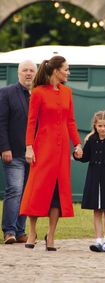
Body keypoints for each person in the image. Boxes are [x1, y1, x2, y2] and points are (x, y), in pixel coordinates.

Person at [20, 55, 83, 251]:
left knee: (57, 192)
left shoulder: (68, 92)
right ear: (56, 71)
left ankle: (51, 236)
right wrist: (29, 147)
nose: (68, 72)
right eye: (66, 68)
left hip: (62, 149)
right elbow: (31, 122)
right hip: (42, 148)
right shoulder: (37, 92)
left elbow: (70, 121)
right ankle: (32, 232)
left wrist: (77, 144)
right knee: (37, 189)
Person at [74, 111, 105, 252]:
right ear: (95, 126)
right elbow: (85, 157)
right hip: (94, 180)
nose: (102, 128)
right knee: (96, 210)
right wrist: (77, 155)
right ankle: (98, 240)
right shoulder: (91, 140)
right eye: (100, 125)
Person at [0, 60, 37, 244]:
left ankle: (21, 231)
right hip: (13, 152)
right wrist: (4, 147)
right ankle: (9, 231)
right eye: (25, 70)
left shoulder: (39, 94)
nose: (28, 73)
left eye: (31, 70)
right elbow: (1, 123)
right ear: (18, 73)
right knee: (14, 190)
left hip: (35, 154)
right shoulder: (6, 93)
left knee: (27, 192)